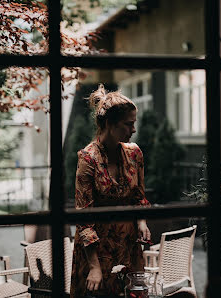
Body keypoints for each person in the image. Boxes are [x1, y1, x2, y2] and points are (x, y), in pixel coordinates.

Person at [71, 84, 151, 298]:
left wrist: (142, 222)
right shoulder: (88, 158)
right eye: (128, 124)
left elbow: (139, 197)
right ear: (109, 124)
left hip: (128, 246)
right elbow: (84, 217)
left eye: (134, 124)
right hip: (97, 252)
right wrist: (94, 267)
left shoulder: (134, 153)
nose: (133, 130)